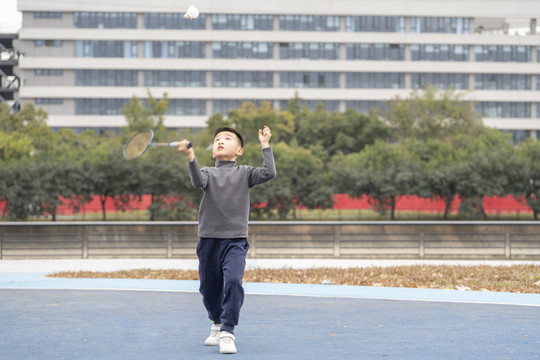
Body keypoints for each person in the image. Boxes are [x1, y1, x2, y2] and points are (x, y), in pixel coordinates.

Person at [177, 126, 276, 354]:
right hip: (208, 240)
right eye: (217, 139)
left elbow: (269, 173)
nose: (221, 141)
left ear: (239, 150)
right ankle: (216, 322)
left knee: (232, 281)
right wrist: (190, 156)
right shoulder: (207, 173)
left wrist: (265, 144)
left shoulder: (245, 172)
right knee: (208, 288)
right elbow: (196, 181)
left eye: (227, 139)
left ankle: (228, 332)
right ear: (213, 152)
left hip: (235, 240)